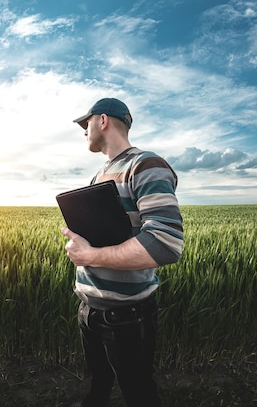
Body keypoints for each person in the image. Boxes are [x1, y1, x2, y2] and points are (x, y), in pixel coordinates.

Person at [60, 98, 184, 407]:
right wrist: (78, 243)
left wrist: (89, 256)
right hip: (89, 309)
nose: (83, 131)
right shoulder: (99, 175)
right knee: (97, 383)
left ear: (103, 121)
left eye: (85, 123)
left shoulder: (145, 164)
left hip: (127, 317)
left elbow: (165, 243)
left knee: (138, 392)